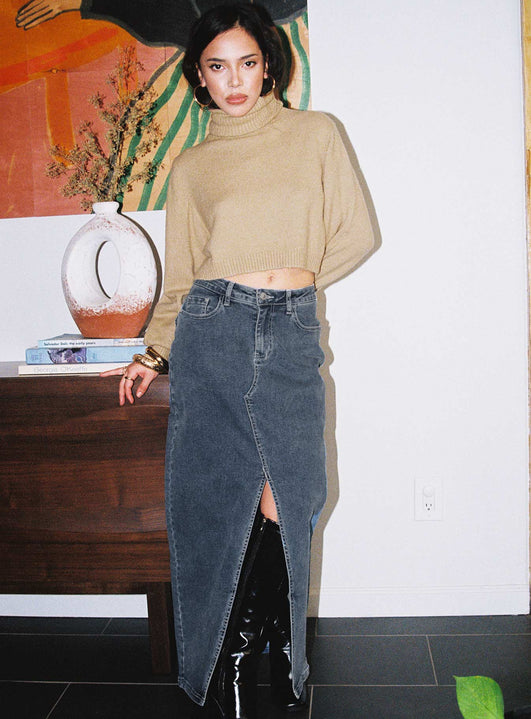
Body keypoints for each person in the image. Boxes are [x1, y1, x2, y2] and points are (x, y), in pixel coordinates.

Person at [102, 3, 376, 717]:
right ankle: (234, 654)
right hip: (212, 329)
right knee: (218, 501)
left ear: (268, 66)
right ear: (199, 76)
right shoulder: (193, 167)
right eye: (217, 67)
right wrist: (154, 351)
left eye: (247, 63)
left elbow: (356, 233)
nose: (234, 81)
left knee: (295, 491)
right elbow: (183, 277)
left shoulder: (316, 134)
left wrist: (289, 288)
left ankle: (269, 642)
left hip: (289, 330)